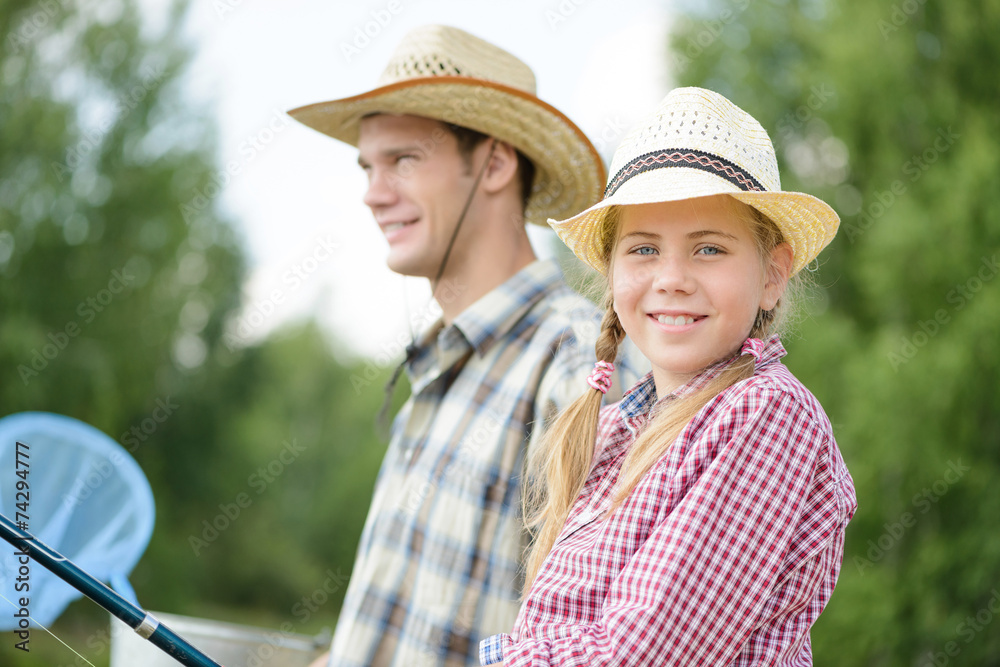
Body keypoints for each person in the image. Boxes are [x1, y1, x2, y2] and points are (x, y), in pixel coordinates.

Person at [290, 25, 642, 667]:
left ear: (495, 163)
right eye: (369, 166)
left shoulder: (579, 369)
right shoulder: (438, 371)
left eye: (403, 159)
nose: (372, 191)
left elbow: (616, 643)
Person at [479, 87, 858, 666]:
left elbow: (647, 651)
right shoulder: (620, 425)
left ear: (773, 274)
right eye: (644, 250)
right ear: (612, 274)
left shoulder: (768, 413)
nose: (672, 278)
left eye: (708, 249)